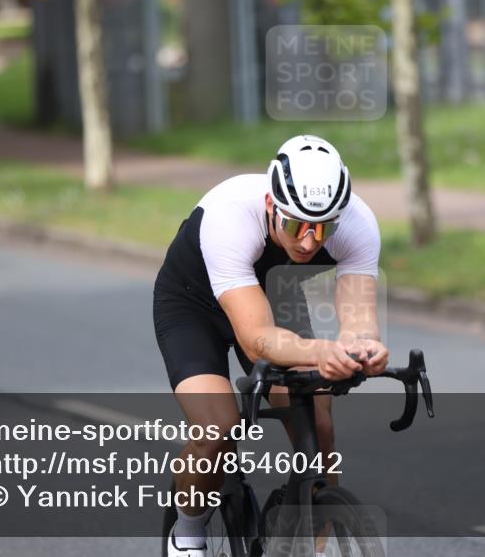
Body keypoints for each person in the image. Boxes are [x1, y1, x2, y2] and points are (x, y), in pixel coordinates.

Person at [153, 134, 389, 556]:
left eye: (324, 228)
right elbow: (258, 339)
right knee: (218, 428)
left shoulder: (358, 223)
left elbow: (357, 320)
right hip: (193, 303)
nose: (310, 242)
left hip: (273, 298)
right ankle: (186, 536)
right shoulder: (230, 216)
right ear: (270, 205)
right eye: (298, 225)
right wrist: (323, 351)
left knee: (319, 422)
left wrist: (363, 350)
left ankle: (319, 543)